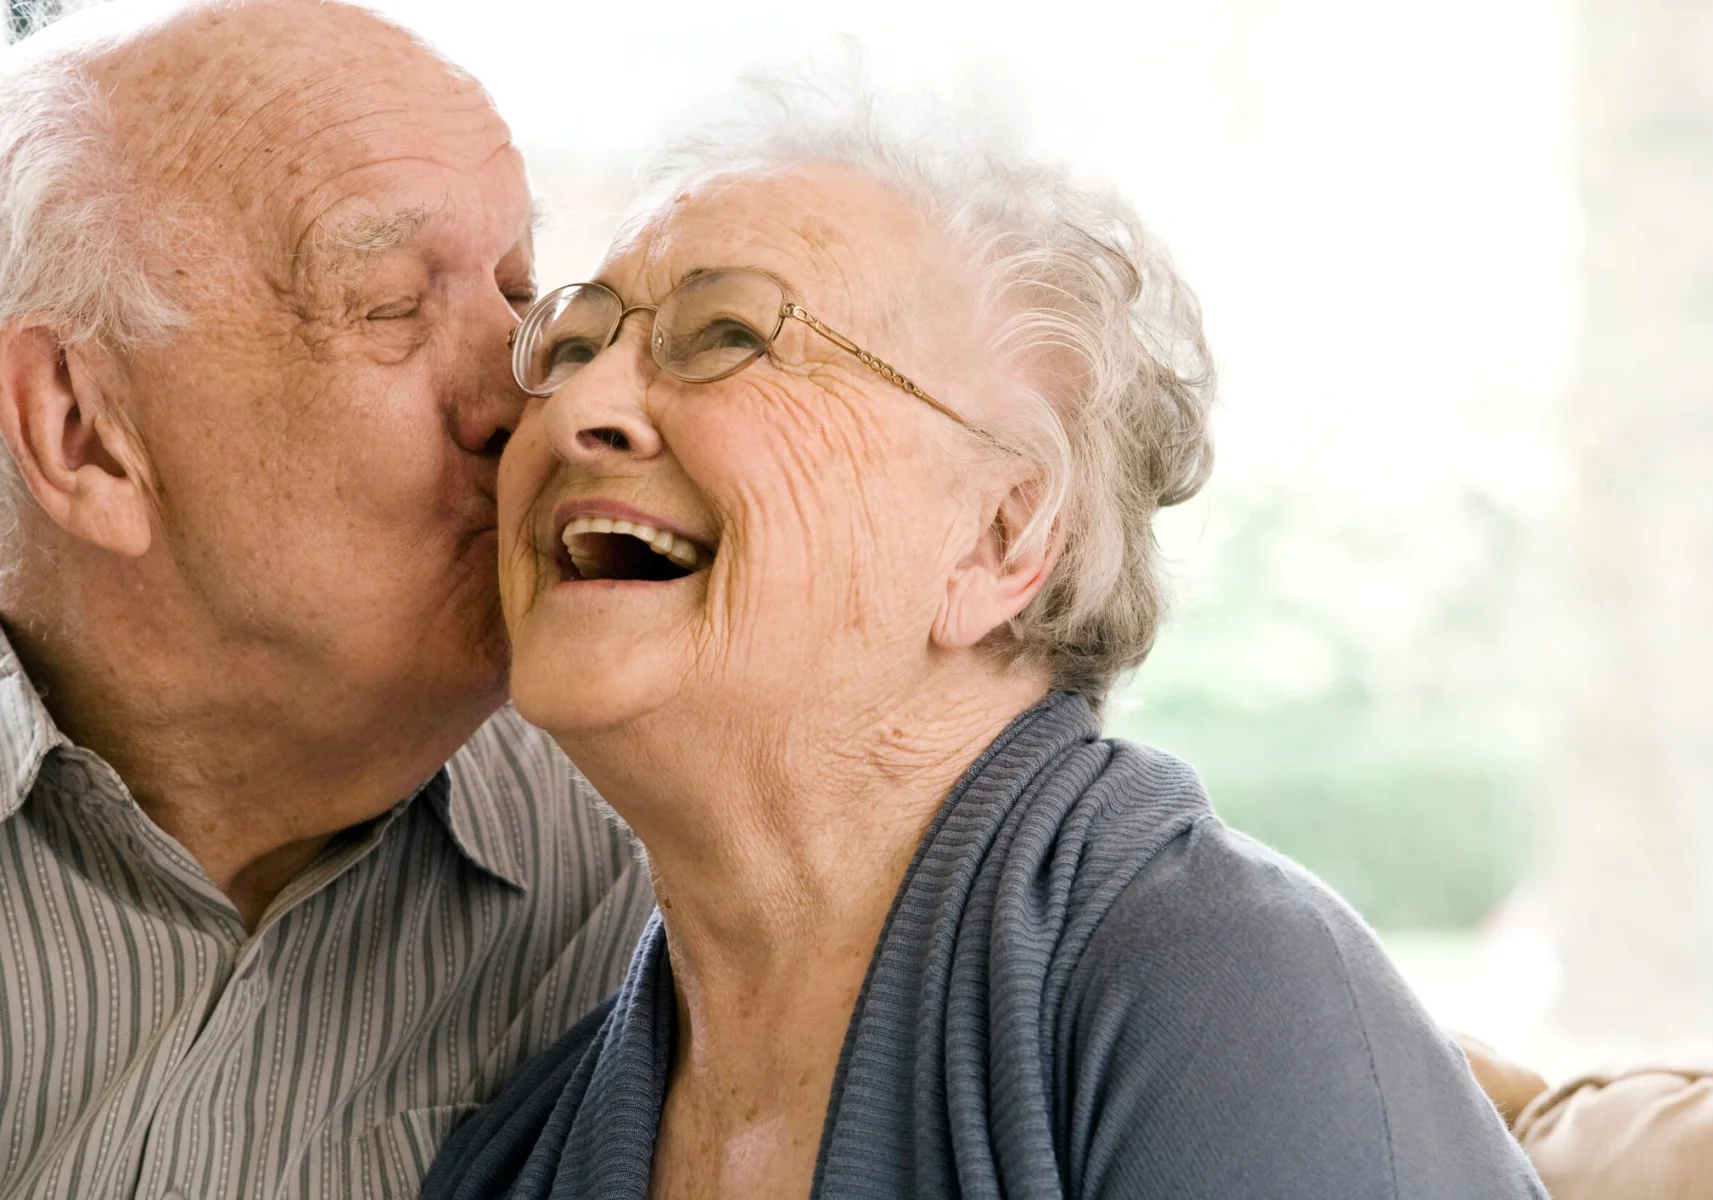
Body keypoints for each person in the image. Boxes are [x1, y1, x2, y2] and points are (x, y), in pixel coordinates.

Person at [423, 83, 1548, 1199]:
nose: (572, 414)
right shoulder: (521, 1154)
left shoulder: (1214, 992)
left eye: (727, 337)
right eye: (571, 348)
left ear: (997, 540)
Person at [0, 3, 651, 1195]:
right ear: (80, 431)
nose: (526, 409)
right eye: (392, 307)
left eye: (520, 296)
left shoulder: (648, 870)